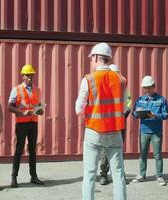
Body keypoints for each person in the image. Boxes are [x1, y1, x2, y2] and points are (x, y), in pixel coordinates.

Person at [75, 43, 127, 200]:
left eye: (91, 58)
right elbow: (124, 107)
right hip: (115, 132)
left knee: (90, 174)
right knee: (118, 174)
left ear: (97, 57)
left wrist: (88, 116)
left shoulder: (89, 79)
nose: (91, 61)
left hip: (94, 132)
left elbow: (79, 109)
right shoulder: (120, 79)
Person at [8, 64, 45, 188]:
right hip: (21, 124)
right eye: (27, 75)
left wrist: (40, 110)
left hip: (33, 123)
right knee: (19, 150)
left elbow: (38, 106)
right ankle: (14, 177)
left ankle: (33, 176)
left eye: (31, 75)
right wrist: (22, 112)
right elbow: (10, 107)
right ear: (22, 76)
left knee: (33, 150)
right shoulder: (16, 89)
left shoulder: (37, 90)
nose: (30, 77)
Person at [131, 75, 168, 186]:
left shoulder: (161, 100)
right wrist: (137, 114)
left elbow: (166, 115)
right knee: (143, 154)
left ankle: (159, 176)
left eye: (149, 87)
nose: (147, 90)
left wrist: (156, 116)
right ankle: (142, 175)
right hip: (144, 131)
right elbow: (134, 113)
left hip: (156, 132)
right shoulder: (140, 100)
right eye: (145, 88)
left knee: (157, 155)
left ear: (154, 86)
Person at [98, 64, 132, 185]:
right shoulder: (105, 89)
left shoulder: (124, 88)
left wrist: (127, 110)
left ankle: (119, 175)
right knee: (104, 150)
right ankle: (103, 175)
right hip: (107, 125)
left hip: (120, 124)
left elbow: (128, 102)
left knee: (119, 150)